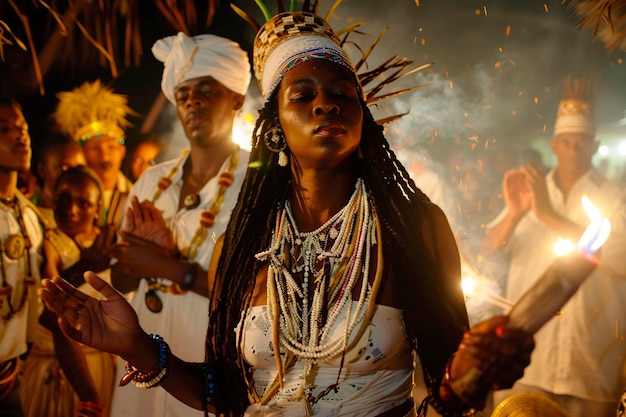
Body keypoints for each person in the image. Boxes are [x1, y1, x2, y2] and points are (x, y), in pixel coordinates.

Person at [39, 8, 535, 417]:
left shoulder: (414, 228)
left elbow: (449, 397)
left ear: (365, 118)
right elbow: (227, 394)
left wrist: (471, 372)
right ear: (275, 124)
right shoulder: (245, 238)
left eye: (343, 94)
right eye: (304, 96)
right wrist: (136, 347)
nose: (326, 105)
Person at [106, 32, 251, 417]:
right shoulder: (152, 181)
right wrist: (135, 262)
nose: (193, 101)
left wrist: (168, 265)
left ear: (236, 97)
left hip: (211, 369)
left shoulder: (258, 182)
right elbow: (120, 281)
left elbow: (260, 294)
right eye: (183, 94)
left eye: (207, 89)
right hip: (142, 358)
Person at [482, 75, 626, 416]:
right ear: (555, 145)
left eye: (581, 142)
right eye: (567, 141)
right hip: (527, 363)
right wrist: (516, 214)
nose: (574, 149)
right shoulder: (530, 188)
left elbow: (620, 256)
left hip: (590, 367)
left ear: (593, 145)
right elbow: (489, 249)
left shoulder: (616, 197)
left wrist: (546, 214)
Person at [0, 96, 101, 417]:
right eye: (4, 129)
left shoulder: (31, 219)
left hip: (8, 381)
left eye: (22, 128)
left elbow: (50, 314)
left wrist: (89, 395)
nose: (20, 136)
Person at [20, 166, 116, 417]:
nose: (71, 210)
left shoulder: (110, 242)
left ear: (97, 208)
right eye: (63, 200)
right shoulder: (49, 241)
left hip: (98, 363)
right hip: (54, 365)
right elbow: (52, 298)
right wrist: (87, 266)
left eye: (83, 203)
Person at [53, 80, 135, 229]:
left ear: (122, 151)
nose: (104, 156)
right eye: (95, 148)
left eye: (111, 147)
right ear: (82, 153)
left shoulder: (137, 194)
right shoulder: (65, 197)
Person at [32, 138, 87, 226]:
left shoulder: (89, 216)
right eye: (64, 168)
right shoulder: (26, 215)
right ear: (42, 170)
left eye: (79, 168)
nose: (73, 175)